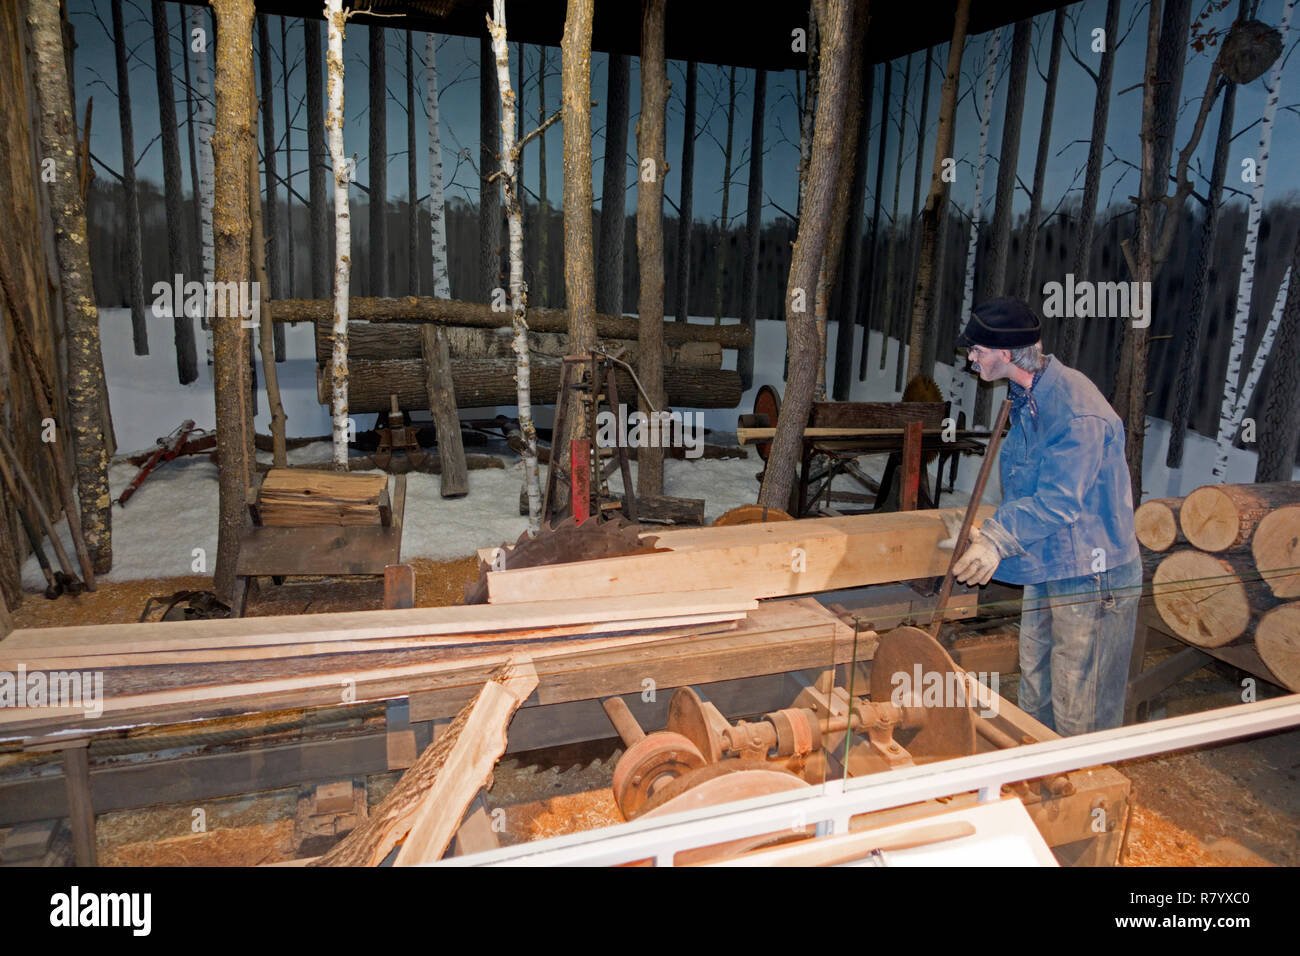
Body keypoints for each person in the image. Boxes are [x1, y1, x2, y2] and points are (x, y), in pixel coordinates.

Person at [945, 297, 1141, 736]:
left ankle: (1085, 789)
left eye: (976, 350)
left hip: (1093, 571)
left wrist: (998, 538)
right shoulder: (1026, 396)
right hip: (1051, 558)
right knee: (1036, 686)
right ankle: (1040, 782)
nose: (971, 358)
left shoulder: (1074, 410)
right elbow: (1029, 487)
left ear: (1006, 353)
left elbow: (1058, 501)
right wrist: (990, 533)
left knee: (1079, 701)